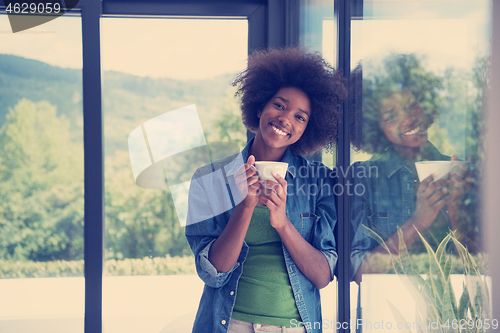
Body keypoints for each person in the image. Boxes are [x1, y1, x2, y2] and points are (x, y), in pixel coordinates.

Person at [185, 47, 345, 333]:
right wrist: (244, 206)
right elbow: (214, 272)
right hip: (229, 326)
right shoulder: (208, 180)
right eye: (280, 105)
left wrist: (282, 223)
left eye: (300, 117)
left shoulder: (320, 181)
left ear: (308, 128)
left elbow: (322, 276)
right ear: (259, 106)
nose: (286, 119)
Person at [349, 54, 477, 284]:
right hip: (386, 310)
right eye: (391, 116)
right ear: (374, 128)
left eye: (413, 106)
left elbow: (480, 268)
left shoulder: (463, 173)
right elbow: (360, 273)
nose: (408, 119)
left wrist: (456, 207)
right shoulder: (363, 178)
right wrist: (418, 221)